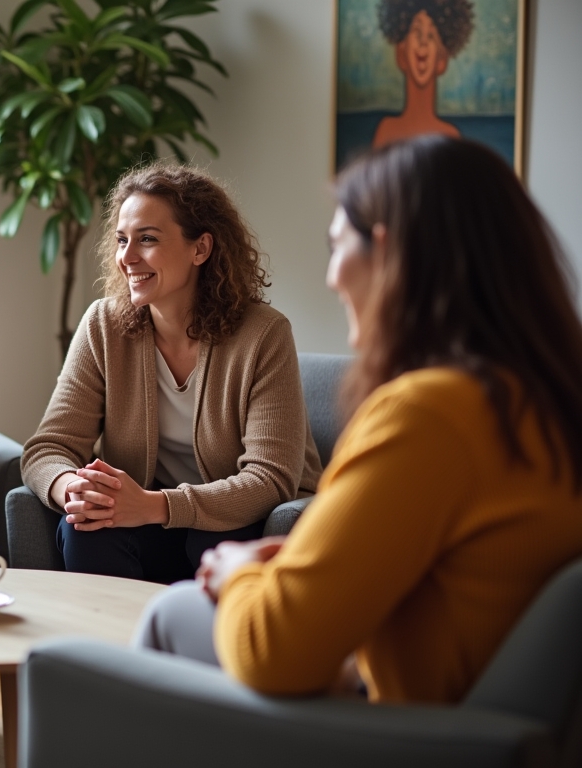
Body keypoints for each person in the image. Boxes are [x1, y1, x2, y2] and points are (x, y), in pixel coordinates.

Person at [136, 136, 582, 704]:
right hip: (480, 721)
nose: (331, 277)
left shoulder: (430, 415)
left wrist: (237, 573)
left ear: (386, 250)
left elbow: (272, 651)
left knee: (174, 611)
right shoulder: (545, 398)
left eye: (337, 245)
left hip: (412, 736)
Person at [20, 164, 322, 584]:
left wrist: (153, 505)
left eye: (147, 239)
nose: (126, 257)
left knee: (212, 543)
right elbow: (47, 448)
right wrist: (74, 489)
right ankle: (111, 651)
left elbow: (269, 479)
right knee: (86, 527)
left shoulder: (264, 335)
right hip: (146, 523)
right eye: (122, 240)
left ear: (200, 249)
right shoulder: (103, 326)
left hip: (234, 522)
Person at [372, 0, 474, 147]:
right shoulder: (386, 130)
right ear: (401, 55)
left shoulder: (451, 135)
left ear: (442, 61)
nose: (423, 42)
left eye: (431, 35)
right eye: (417, 31)